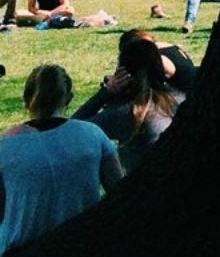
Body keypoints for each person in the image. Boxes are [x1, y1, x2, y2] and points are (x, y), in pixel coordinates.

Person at [0, 65, 123, 257]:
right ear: (68, 98)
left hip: (21, 251)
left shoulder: (1, 145)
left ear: (26, 99)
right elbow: (119, 190)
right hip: (80, 245)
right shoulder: (93, 134)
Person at [75, 35, 185, 173]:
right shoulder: (179, 98)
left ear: (123, 72)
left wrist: (105, 93)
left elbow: (71, 131)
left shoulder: (128, 111)